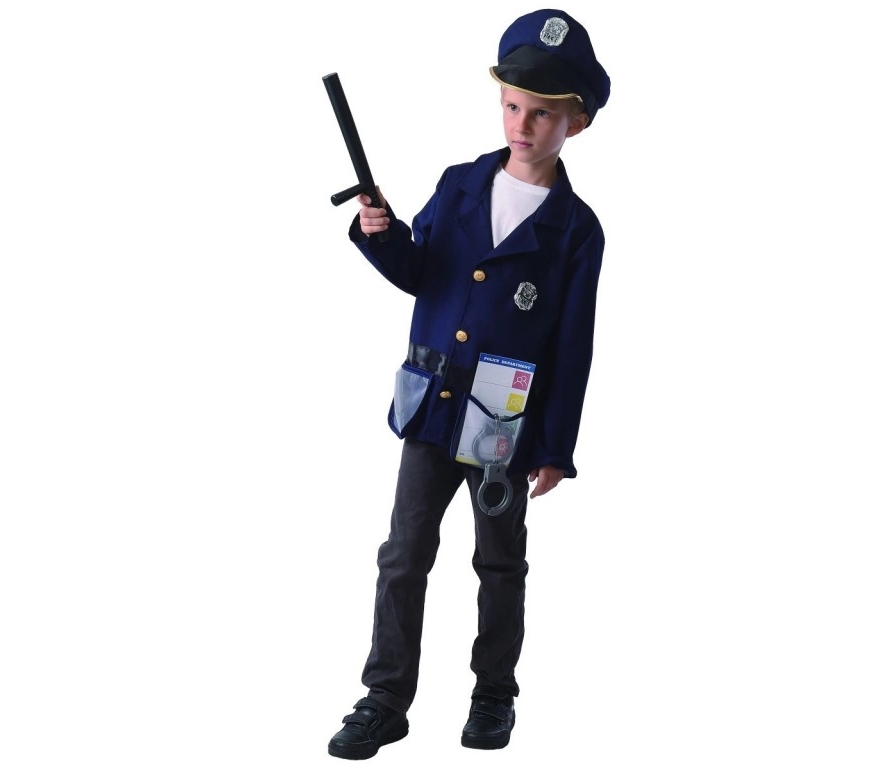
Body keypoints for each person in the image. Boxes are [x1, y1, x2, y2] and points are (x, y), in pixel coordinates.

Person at [327, 8, 610, 760]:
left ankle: (493, 696)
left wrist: (554, 446)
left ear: (575, 123)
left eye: (542, 113)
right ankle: (385, 699)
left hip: (503, 425)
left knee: (499, 563)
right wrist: (381, 235)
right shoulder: (458, 186)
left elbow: (573, 346)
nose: (523, 125)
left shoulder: (577, 230)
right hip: (432, 404)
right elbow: (419, 271)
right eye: (513, 106)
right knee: (403, 554)